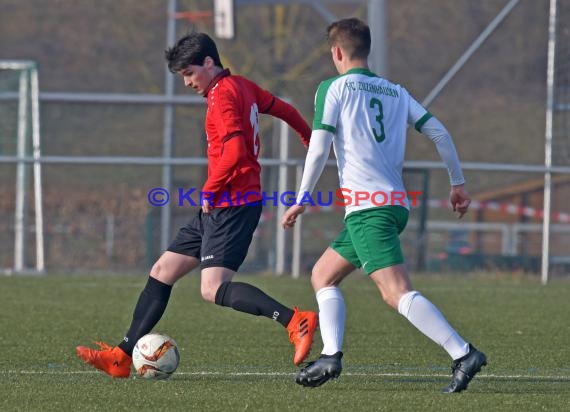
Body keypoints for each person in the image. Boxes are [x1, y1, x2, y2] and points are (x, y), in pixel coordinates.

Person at [76, 32, 318, 377]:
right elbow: (284, 109)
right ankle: (121, 356)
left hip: (233, 203)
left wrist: (209, 189)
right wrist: (306, 135)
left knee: (212, 288)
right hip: (222, 204)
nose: (187, 82)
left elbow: (235, 152)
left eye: (189, 73)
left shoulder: (222, 96)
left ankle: (295, 320)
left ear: (208, 62)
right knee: (162, 271)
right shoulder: (242, 85)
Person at [281, 18, 486, 393]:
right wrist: (457, 184)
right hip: (393, 205)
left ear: (337, 52)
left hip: (368, 210)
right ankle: (331, 355)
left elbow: (319, 146)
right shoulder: (395, 91)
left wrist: (301, 199)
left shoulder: (333, 88)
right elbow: (439, 131)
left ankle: (463, 352)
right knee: (323, 274)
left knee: (395, 292)